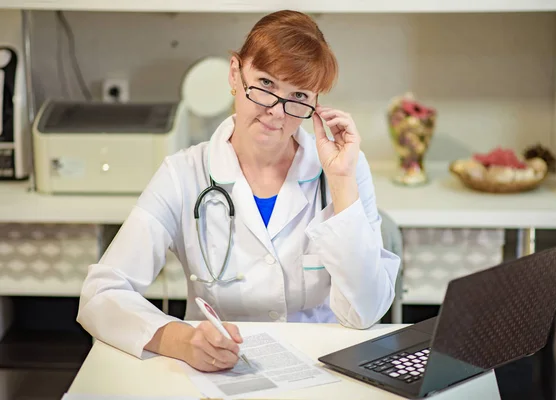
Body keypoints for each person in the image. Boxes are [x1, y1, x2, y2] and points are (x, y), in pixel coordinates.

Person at [77, 9, 401, 373]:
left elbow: (365, 313)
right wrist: (181, 340)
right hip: (215, 372)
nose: (276, 112)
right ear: (235, 74)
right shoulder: (183, 174)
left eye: (297, 95)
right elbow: (101, 293)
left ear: (315, 105)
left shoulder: (345, 169)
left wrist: (342, 182)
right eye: (264, 84)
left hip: (321, 370)